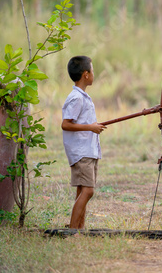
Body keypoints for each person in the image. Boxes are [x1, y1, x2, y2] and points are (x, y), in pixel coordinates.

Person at [61, 56, 106, 230]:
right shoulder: (76, 98)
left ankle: (79, 229)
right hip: (81, 152)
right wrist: (90, 127)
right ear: (86, 74)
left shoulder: (83, 96)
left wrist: (92, 127)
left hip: (89, 149)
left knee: (82, 191)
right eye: (92, 71)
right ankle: (72, 231)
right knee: (88, 191)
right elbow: (65, 124)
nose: (94, 74)